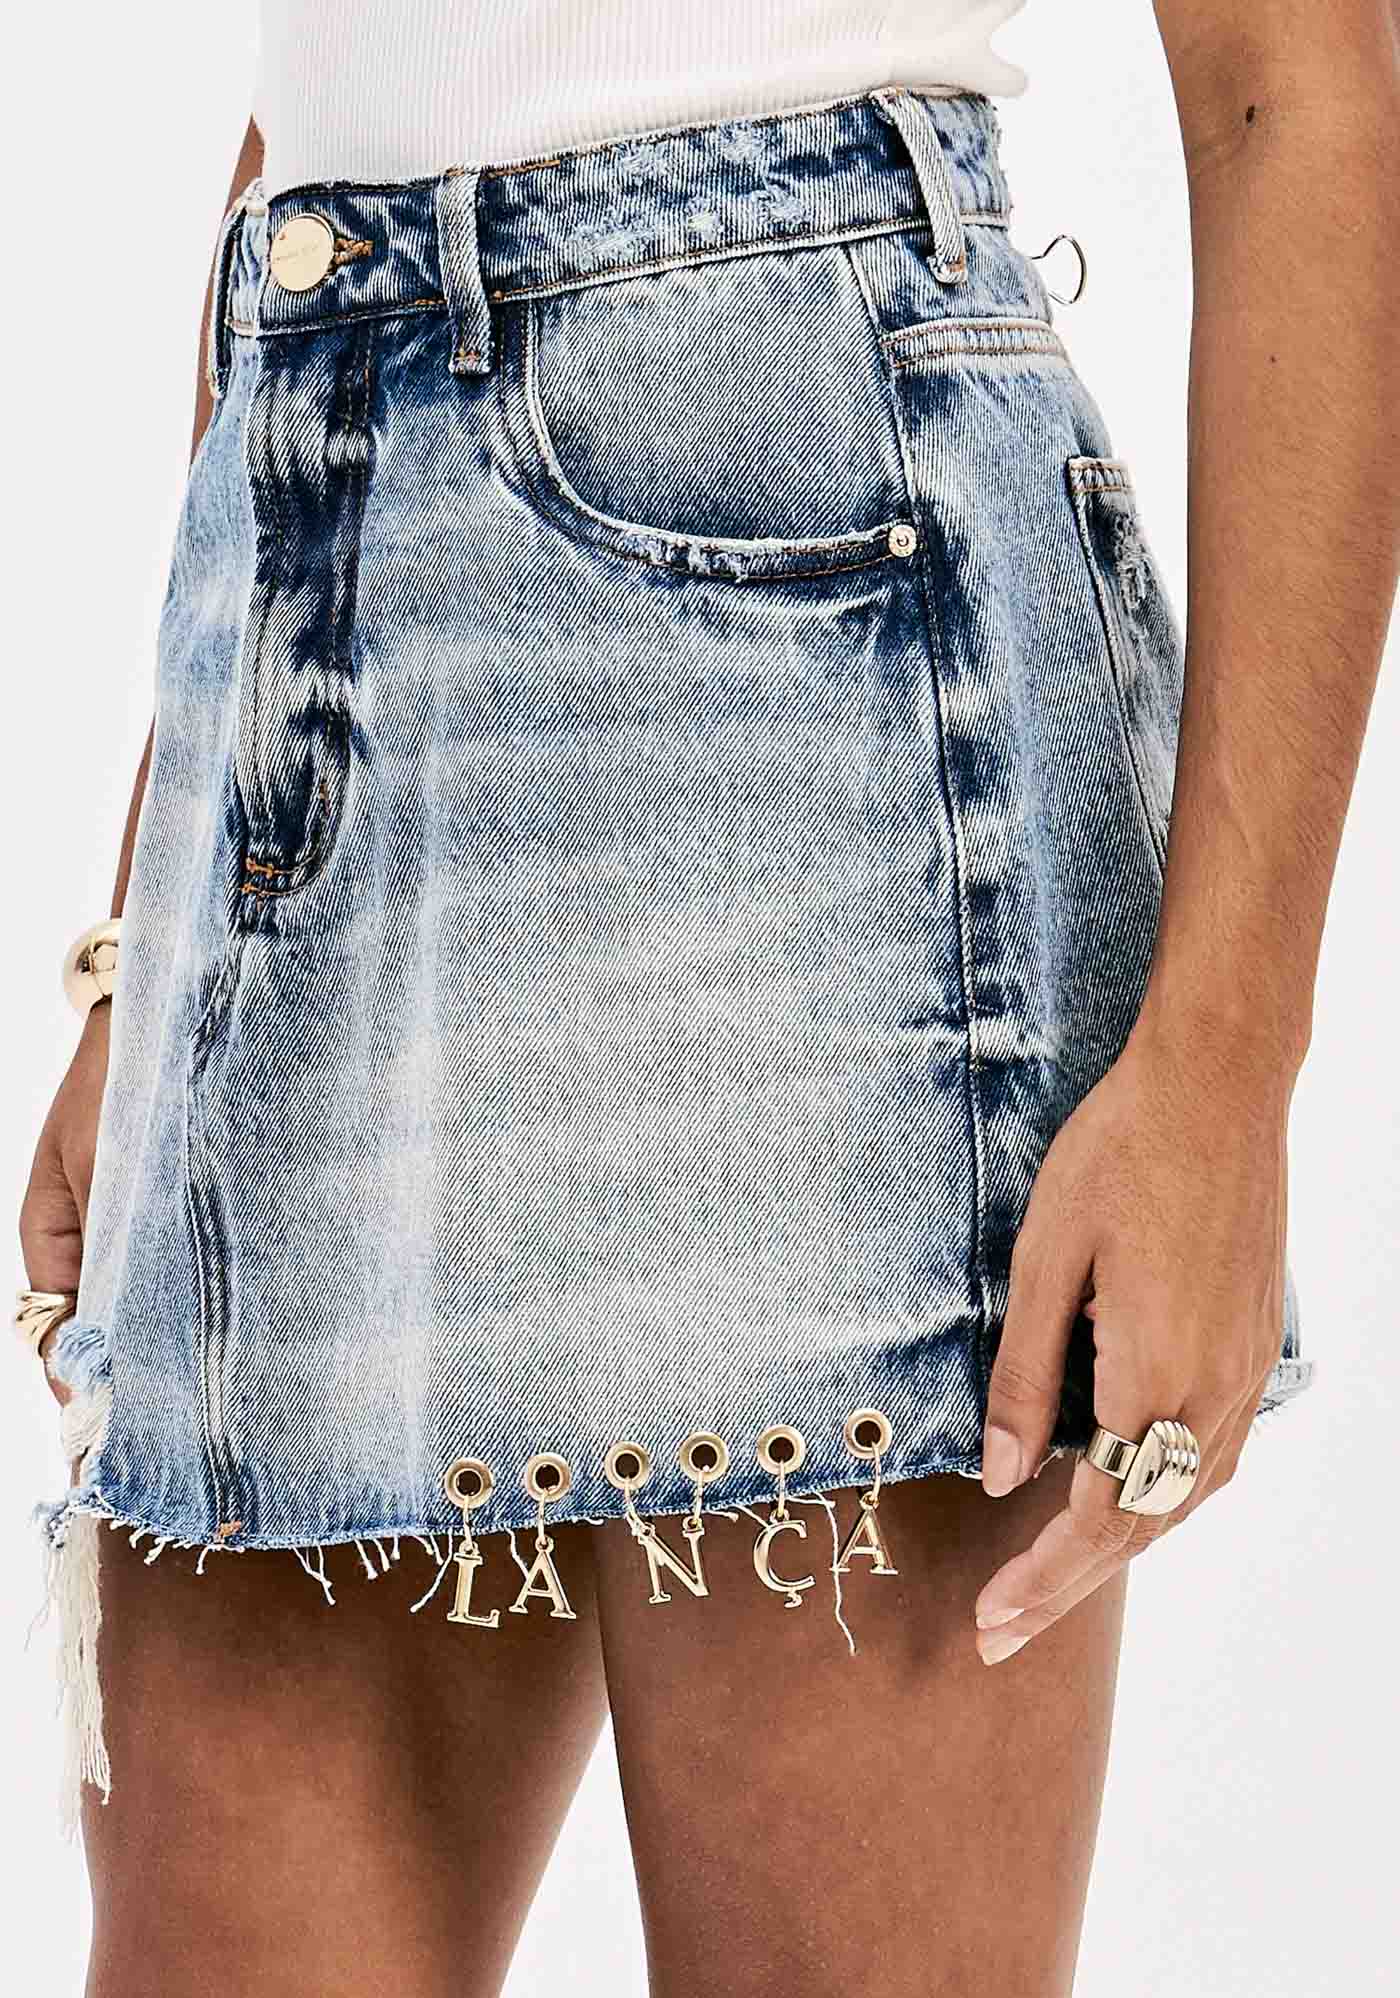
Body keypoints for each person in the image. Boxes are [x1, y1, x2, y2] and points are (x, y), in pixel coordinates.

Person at [17, 3, 1399, 1993]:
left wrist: (1223, 1068)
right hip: (317, 515)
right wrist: (149, 911)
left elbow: (1293, 85)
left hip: (813, 575)